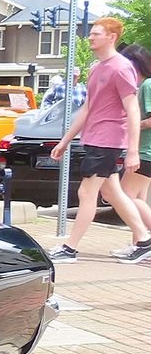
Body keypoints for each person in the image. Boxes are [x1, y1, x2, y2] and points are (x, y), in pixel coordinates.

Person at [47, 17, 151, 262]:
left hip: (108, 141)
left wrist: (132, 150)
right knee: (113, 193)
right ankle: (143, 240)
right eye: (91, 33)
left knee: (86, 192)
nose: (90, 37)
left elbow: (132, 109)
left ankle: (70, 248)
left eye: (96, 34)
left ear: (111, 37)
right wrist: (65, 140)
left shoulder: (121, 67)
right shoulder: (96, 68)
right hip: (95, 139)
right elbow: (88, 108)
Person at [114, 45, 151, 253]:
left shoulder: (147, 85)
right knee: (138, 198)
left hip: (145, 151)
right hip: (145, 151)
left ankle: (145, 241)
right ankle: (139, 244)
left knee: (125, 196)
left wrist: (131, 125)